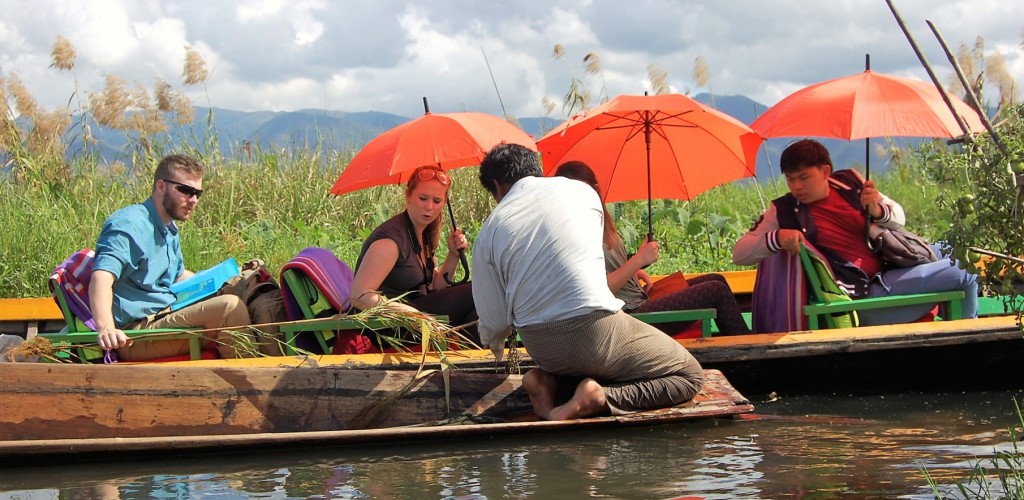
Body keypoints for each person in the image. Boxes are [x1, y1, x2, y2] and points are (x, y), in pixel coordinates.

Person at [472, 143, 705, 421]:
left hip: (541, 347)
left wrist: (496, 343)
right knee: (689, 375)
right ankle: (598, 398)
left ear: (497, 186)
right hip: (595, 332)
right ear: (537, 170)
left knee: (587, 361)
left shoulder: (487, 232)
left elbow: (495, 322)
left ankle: (548, 382)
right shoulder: (582, 192)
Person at [732, 139, 978, 325]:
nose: (797, 186)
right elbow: (739, 253)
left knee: (955, 249)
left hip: (891, 265)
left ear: (826, 172)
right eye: (790, 179)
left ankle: (950, 325)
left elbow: (898, 218)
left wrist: (878, 209)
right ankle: (969, 339)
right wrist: (776, 238)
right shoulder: (783, 210)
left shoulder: (850, 181)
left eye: (804, 177)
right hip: (866, 292)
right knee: (965, 270)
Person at [553, 161, 751, 335]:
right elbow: (598, 289)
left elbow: (609, 263)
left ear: (595, 189)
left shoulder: (598, 219)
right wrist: (637, 260)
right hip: (628, 316)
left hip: (639, 298)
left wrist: (636, 268)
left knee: (716, 279)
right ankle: (749, 357)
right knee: (714, 290)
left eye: (583, 191)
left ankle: (742, 349)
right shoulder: (572, 232)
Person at [90, 154, 254, 361]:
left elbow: (177, 276)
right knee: (229, 307)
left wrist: (226, 280)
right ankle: (259, 381)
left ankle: (285, 367)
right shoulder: (128, 225)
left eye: (197, 193)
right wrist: (106, 329)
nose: (193, 200)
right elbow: (102, 276)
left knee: (252, 287)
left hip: (166, 314)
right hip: (137, 333)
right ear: (161, 187)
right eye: (185, 190)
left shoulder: (168, 227)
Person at [349, 164, 478, 341]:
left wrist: (454, 255)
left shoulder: (422, 234)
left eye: (437, 201)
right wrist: (410, 314)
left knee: (482, 291)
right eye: (423, 198)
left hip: (417, 314)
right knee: (476, 291)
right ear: (409, 196)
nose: (429, 207)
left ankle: (474, 357)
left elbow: (435, 287)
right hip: (388, 327)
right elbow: (358, 295)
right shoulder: (390, 241)